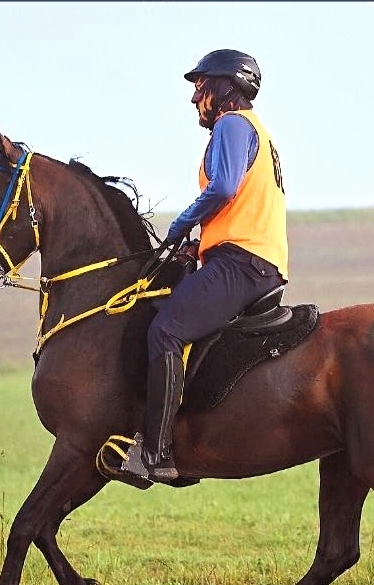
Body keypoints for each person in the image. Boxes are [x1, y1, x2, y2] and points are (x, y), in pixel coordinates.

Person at [123, 48, 289, 483]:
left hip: (243, 262)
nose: (194, 98)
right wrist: (198, 246)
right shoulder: (257, 131)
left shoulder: (232, 124)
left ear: (224, 88)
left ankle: (155, 454)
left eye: (200, 87)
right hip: (250, 258)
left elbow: (224, 188)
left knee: (165, 330)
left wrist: (181, 224)